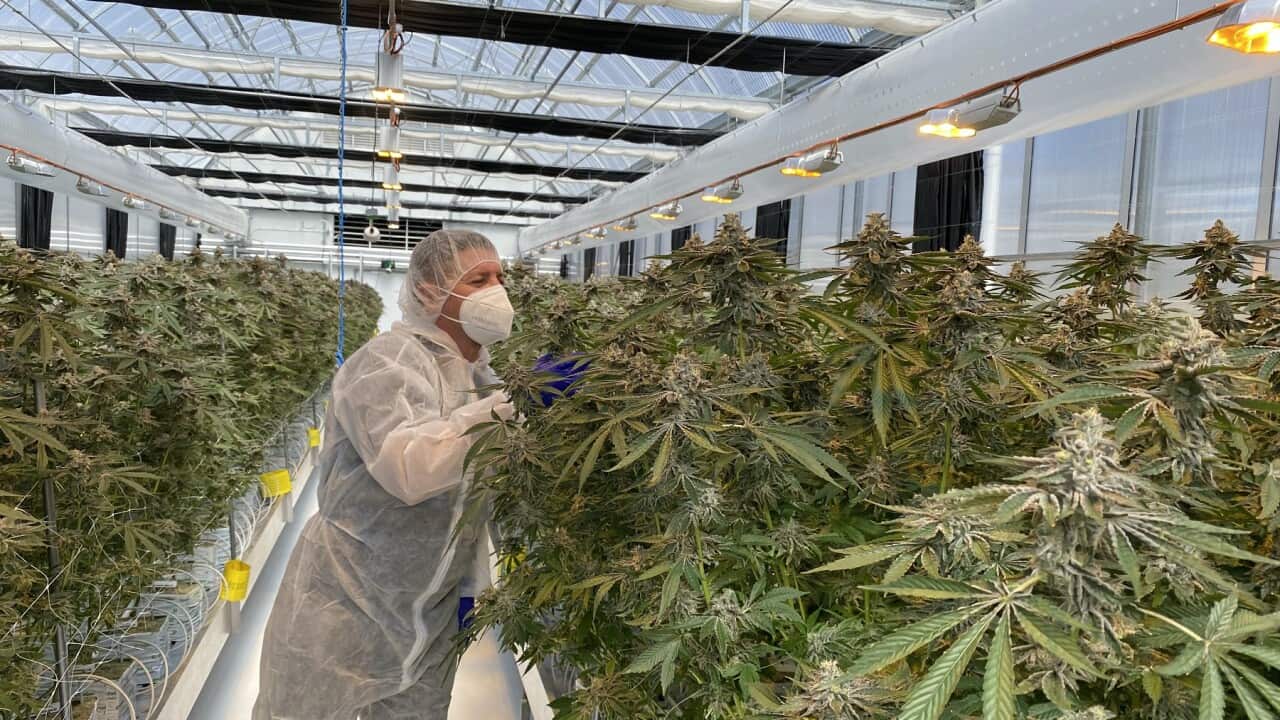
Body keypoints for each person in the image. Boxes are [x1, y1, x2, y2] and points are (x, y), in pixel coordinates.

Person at [253, 230, 516, 720]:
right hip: (350, 602)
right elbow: (412, 469)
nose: (495, 289)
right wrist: (507, 413)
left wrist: (471, 587)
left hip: (429, 610)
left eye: (500, 277)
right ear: (429, 290)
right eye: (478, 279)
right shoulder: (384, 364)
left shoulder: (483, 376)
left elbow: (468, 505)